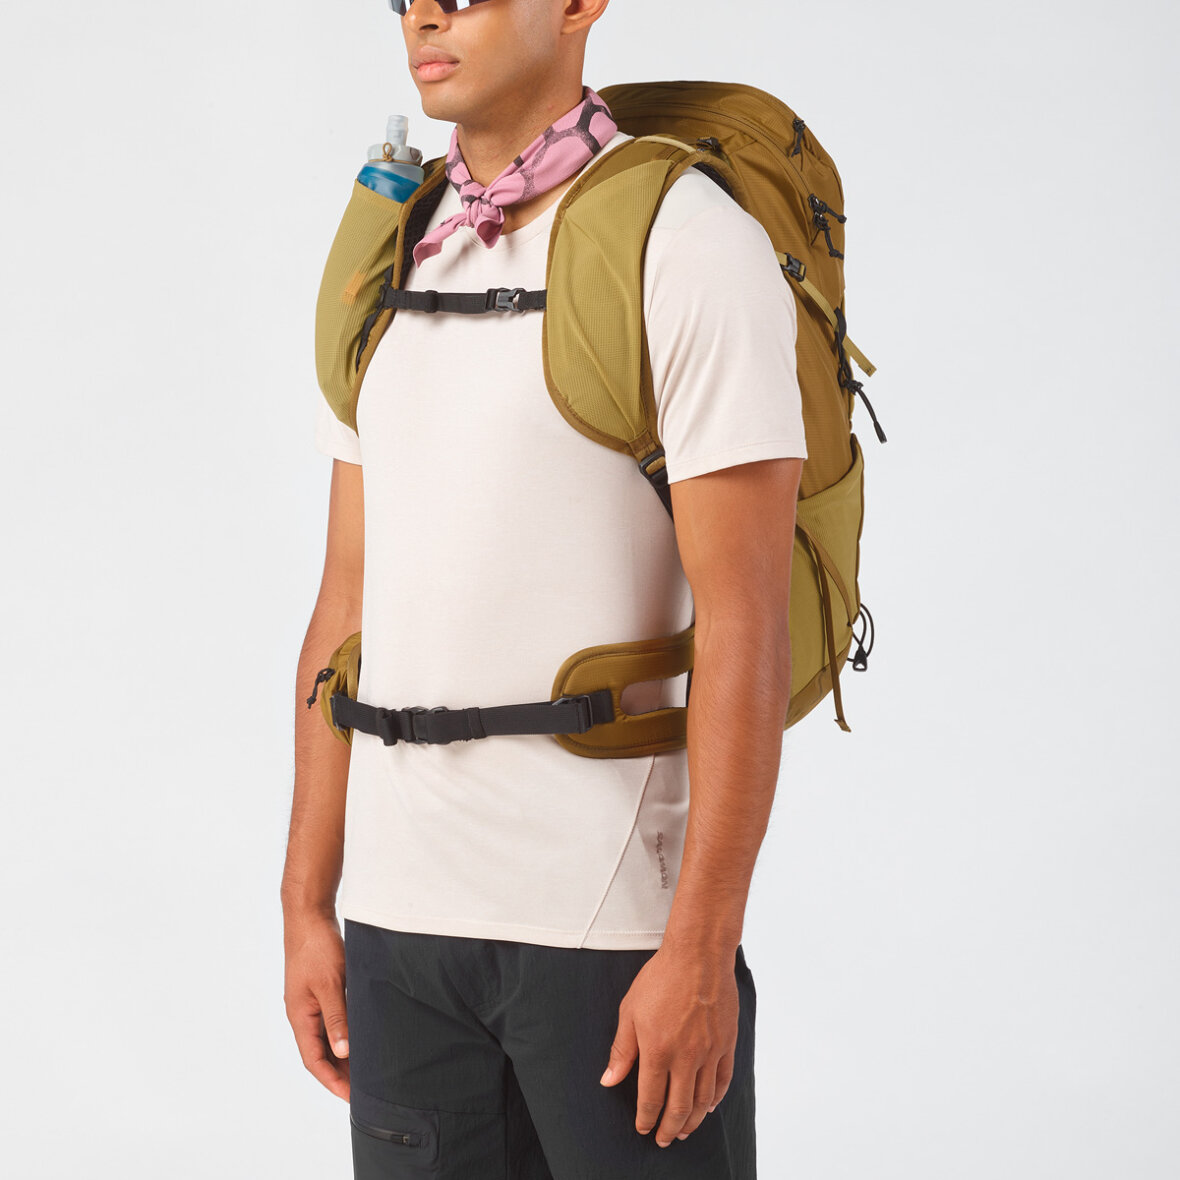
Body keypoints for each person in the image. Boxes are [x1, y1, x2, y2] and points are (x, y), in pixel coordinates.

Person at [282, 1, 808, 1176]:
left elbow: (745, 620)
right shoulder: (389, 250)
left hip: (611, 931)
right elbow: (344, 601)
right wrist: (306, 903)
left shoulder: (684, 238)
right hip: (399, 932)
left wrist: (700, 949)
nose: (426, 13)